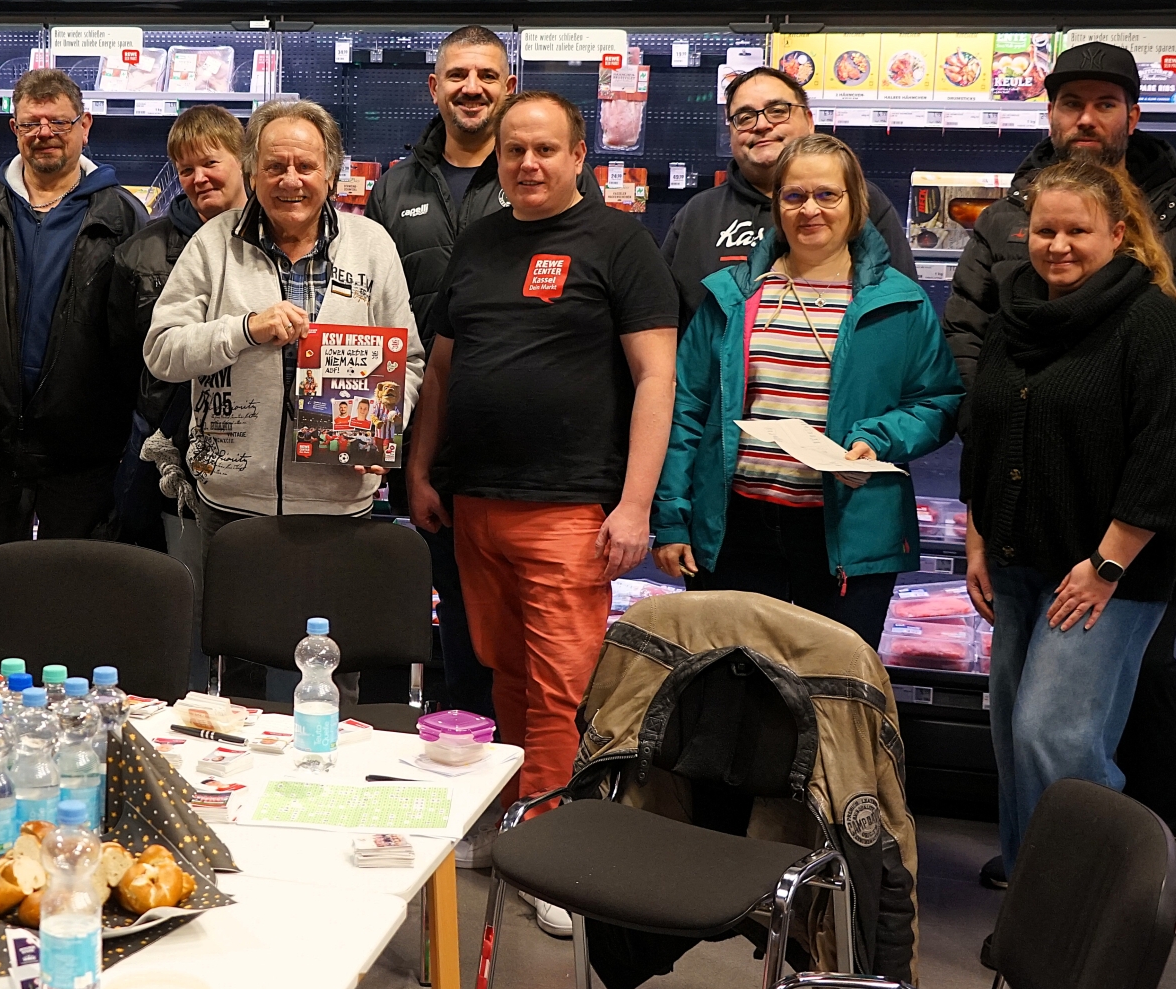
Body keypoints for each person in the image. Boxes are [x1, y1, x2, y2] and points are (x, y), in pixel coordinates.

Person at [944, 41, 1176, 876]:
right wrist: (979, 533)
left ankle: (1100, 893)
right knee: (1014, 729)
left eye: (1077, 232)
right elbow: (990, 423)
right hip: (1022, 554)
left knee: (1057, 735)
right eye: (1046, 231)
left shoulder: (1153, 315)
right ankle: (1034, 890)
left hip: (1106, 565)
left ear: (1119, 233)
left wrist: (1107, 563)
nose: (1058, 245)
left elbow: (1168, 445)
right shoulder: (1018, 309)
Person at [407, 90, 676, 819]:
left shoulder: (621, 243)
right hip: (473, 503)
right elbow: (441, 370)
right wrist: (421, 470)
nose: (528, 163)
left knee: (563, 687)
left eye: (545, 149)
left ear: (579, 156)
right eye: (514, 150)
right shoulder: (478, 241)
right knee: (506, 674)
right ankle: (518, 819)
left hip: (567, 507)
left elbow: (656, 378)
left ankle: (549, 838)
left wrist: (635, 505)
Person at [653, 134, 963, 645]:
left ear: (855, 203)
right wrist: (672, 520)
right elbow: (687, 409)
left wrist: (878, 439)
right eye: (794, 196)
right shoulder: (733, 296)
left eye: (827, 195)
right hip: (736, 526)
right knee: (737, 679)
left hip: (849, 530)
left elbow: (939, 401)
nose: (809, 210)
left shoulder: (899, 302)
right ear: (776, 205)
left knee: (833, 680)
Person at [371, 27, 595, 724]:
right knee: (459, 616)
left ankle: (529, 762)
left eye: (488, 76)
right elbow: (372, 316)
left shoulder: (545, 180)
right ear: (433, 87)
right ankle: (463, 741)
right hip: (421, 435)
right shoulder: (395, 187)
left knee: (538, 645)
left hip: (538, 461)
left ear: (509, 87)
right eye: (457, 75)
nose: (472, 88)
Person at [145, 98, 423, 547]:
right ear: (252, 175)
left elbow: (407, 359)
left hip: (340, 498)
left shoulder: (372, 245)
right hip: (231, 499)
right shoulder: (213, 243)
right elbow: (162, 352)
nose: (290, 180)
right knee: (236, 598)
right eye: (274, 167)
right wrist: (245, 329)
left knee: (333, 598)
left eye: (305, 166)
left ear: (330, 175)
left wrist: (384, 425)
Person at [0, 69, 145, 639]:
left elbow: (136, 335)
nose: (44, 133)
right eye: (31, 122)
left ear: (85, 126)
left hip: (84, 448)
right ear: (14, 129)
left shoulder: (122, 216)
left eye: (58, 121)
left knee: (74, 598)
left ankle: (65, 692)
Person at [108, 106, 249, 660]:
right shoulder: (140, 253)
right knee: (188, 604)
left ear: (243, 161)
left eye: (210, 163)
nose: (199, 178)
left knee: (262, 609)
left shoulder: (280, 237)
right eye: (186, 169)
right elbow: (123, 359)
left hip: (263, 457)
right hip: (175, 455)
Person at [660, 65, 915, 327]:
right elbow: (663, 318)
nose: (761, 125)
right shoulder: (698, 215)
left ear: (809, 120)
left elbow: (904, 308)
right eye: (745, 117)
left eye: (778, 111)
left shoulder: (861, 201)